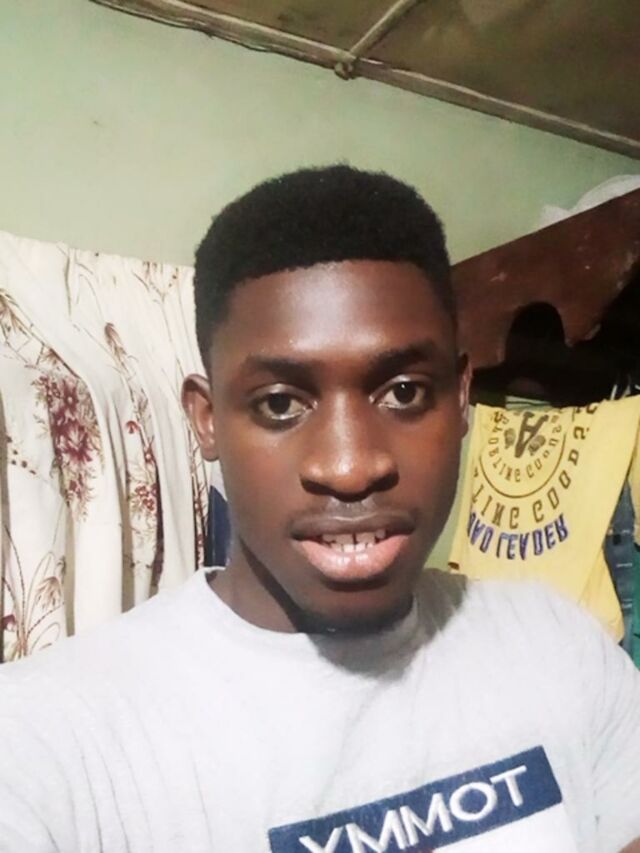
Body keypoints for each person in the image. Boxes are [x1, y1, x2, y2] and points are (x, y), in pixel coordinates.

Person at [1, 166, 639, 853]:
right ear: (207, 419)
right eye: (280, 403)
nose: (350, 466)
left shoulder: (557, 646)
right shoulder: (47, 742)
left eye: (403, 392)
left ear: (460, 398)